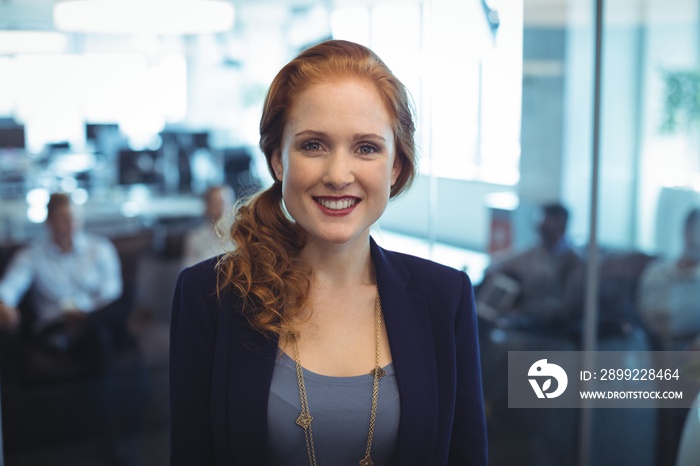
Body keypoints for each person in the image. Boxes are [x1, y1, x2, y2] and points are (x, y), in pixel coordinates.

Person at [170, 40, 488, 465]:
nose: (339, 175)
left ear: (395, 167)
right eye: (314, 145)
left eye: (367, 147)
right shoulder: (210, 295)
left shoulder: (444, 297)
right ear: (278, 160)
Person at [0, 192, 135, 466]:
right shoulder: (32, 255)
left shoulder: (100, 247)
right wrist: (4, 304)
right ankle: (111, 442)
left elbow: (112, 291)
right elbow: (9, 288)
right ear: (49, 222)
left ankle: (110, 441)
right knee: (103, 335)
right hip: (56, 330)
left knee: (104, 325)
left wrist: (84, 310)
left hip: (95, 320)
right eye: (63, 219)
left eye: (74, 217)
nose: (70, 224)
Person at [477, 203, 583, 331]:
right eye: (541, 228)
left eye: (547, 229)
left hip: (545, 320)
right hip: (526, 313)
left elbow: (565, 307)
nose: (542, 233)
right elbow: (497, 264)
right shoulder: (533, 252)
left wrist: (523, 310)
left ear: (562, 228)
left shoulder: (574, 262)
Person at [639, 207, 700, 348]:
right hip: (653, 347)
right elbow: (648, 314)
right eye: (692, 230)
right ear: (685, 231)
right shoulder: (656, 272)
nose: (695, 238)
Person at [181, 184, 235, 267]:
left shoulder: (239, 237)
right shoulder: (195, 237)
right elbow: (187, 270)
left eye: (223, 202)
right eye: (215, 203)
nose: (220, 208)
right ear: (206, 206)